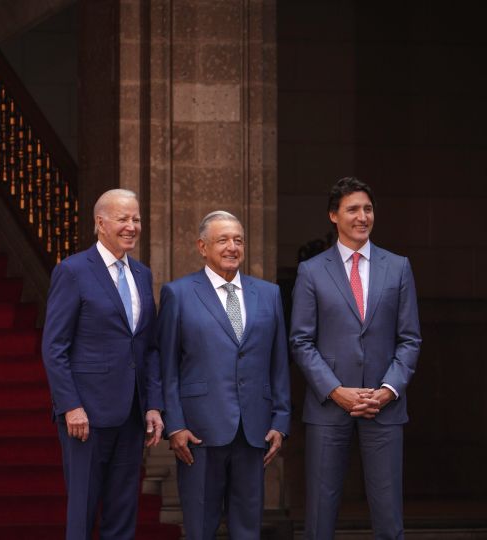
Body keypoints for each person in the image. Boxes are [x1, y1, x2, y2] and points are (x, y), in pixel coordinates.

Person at [290, 177, 421, 540]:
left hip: (384, 406)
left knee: (388, 513)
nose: (362, 216)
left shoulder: (399, 267)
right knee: (320, 513)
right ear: (334, 215)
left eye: (367, 209)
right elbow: (301, 341)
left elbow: (410, 338)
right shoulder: (312, 271)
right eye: (352, 209)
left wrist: (388, 389)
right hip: (329, 407)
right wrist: (336, 391)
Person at [155, 210, 290, 539]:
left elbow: (278, 363)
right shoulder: (179, 293)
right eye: (223, 240)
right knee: (201, 526)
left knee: (248, 528)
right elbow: (167, 366)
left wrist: (280, 421)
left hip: (254, 430)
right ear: (202, 247)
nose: (232, 247)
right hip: (198, 433)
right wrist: (175, 425)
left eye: (238, 240)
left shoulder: (269, 294)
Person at [41, 188, 164, 539]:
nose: (131, 226)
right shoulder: (74, 271)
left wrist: (153, 404)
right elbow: (55, 346)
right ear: (100, 222)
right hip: (86, 416)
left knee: (123, 512)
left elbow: (149, 346)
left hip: (132, 413)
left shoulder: (142, 274)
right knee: (82, 511)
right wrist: (70, 406)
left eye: (136, 219)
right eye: (123, 218)